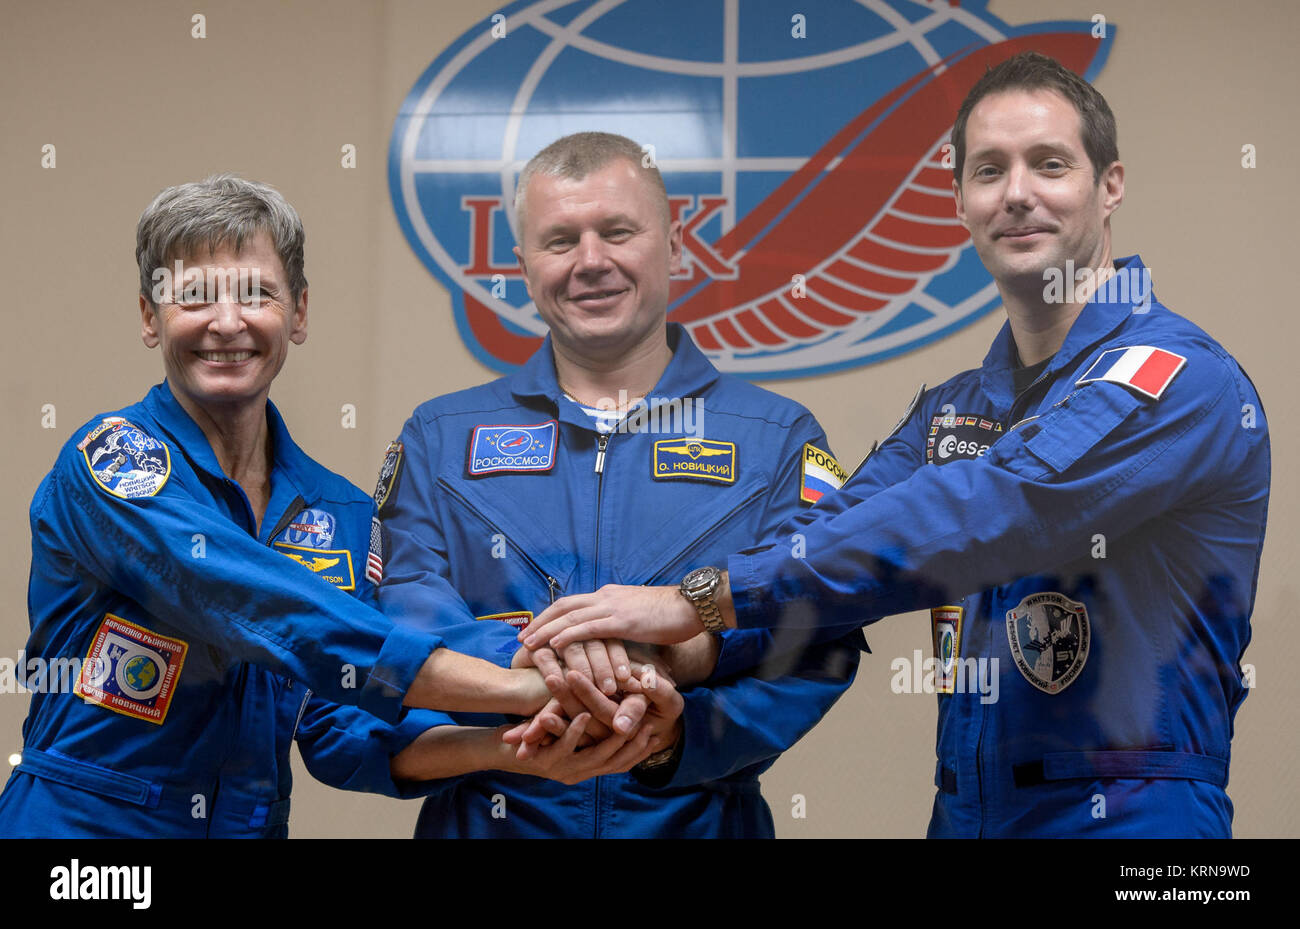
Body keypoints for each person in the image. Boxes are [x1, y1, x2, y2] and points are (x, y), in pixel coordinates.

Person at [520, 54, 1271, 838]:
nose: (1017, 193)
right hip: (966, 810)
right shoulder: (955, 409)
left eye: (1049, 165)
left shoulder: (1178, 378)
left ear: (1109, 184)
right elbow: (824, 549)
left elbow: (996, 506)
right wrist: (672, 661)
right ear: (958, 200)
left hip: (1135, 816)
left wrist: (691, 600)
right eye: (988, 170)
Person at [0, 175, 561, 838]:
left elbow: (337, 723)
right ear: (150, 318)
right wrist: (514, 686)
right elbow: (255, 602)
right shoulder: (111, 462)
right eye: (194, 296)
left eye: (256, 294)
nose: (227, 322)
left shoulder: (340, 511)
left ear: (298, 313)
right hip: (84, 837)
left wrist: (510, 745)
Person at [376, 132, 866, 838]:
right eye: (560, 240)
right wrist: (542, 669)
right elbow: (402, 609)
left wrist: (673, 731)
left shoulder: (778, 437)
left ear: (674, 244)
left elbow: (820, 633)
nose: (591, 261)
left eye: (617, 232)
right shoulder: (440, 436)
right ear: (521, 265)